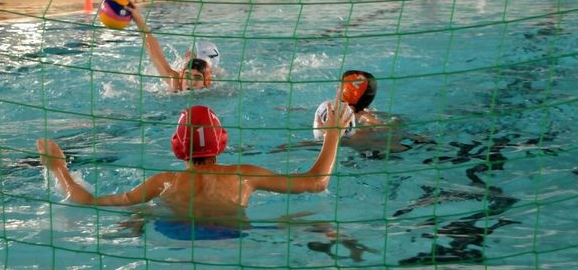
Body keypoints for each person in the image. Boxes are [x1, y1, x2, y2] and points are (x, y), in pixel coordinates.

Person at [36, 101, 354, 225]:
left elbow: (88, 202)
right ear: (222, 141)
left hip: (175, 234)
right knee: (307, 220)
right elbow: (316, 183)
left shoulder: (164, 181)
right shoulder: (243, 175)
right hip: (233, 238)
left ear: (177, 146)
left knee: (143, 211)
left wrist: (58, 168)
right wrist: (333, 135)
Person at [311, 70, 420, 154]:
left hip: (369, 149)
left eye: (339, 86)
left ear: (345, 92)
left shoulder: (345, 117)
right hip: (398, 147)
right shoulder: (372, 114)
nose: (337, 88)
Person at [128, 2, 220, 92]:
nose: (191, 83)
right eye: (187, 76)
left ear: (206, 82)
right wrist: (138, 19)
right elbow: (155, 54)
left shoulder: (213, 88)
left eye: (197, 77)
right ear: (181, 76)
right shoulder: (175, 82)